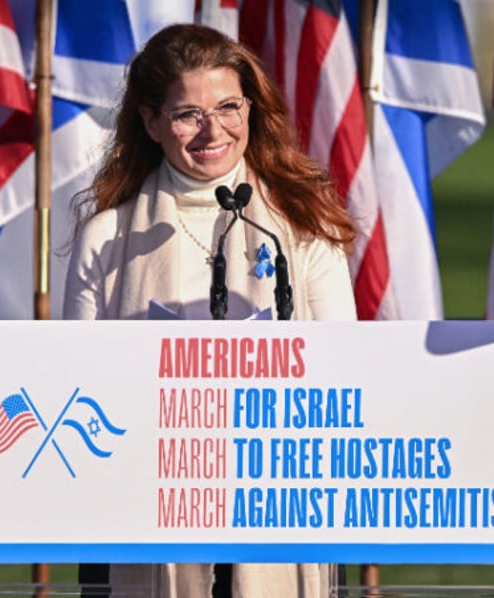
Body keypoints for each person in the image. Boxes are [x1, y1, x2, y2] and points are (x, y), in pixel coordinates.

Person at [63, 22, 357, 598]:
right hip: (142, 504)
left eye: (228, 106)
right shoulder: (107, 235)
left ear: (251, 108)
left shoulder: (302, 227)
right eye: (187, 114)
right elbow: (77, 385)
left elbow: (342, 367)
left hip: (277, 501)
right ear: (150, 122)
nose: (213, 130)